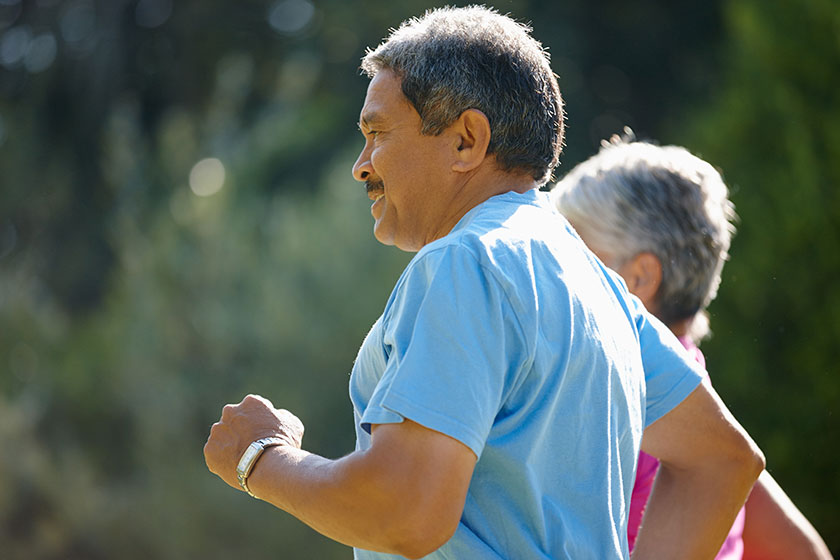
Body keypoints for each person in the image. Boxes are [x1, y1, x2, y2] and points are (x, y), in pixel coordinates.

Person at [203, 7, 764, 559]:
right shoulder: (598, 284)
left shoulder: (465, 260)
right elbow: (722, 460)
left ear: (466, 140)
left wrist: (263, 457)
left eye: (377, 133)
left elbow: (406, 512)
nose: (361, 165)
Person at [551, 132, 833, 560]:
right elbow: (802, 551)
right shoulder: (693, 386)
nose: (555, 275)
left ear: (640, 278)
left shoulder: (614, 397)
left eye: (574, 257)